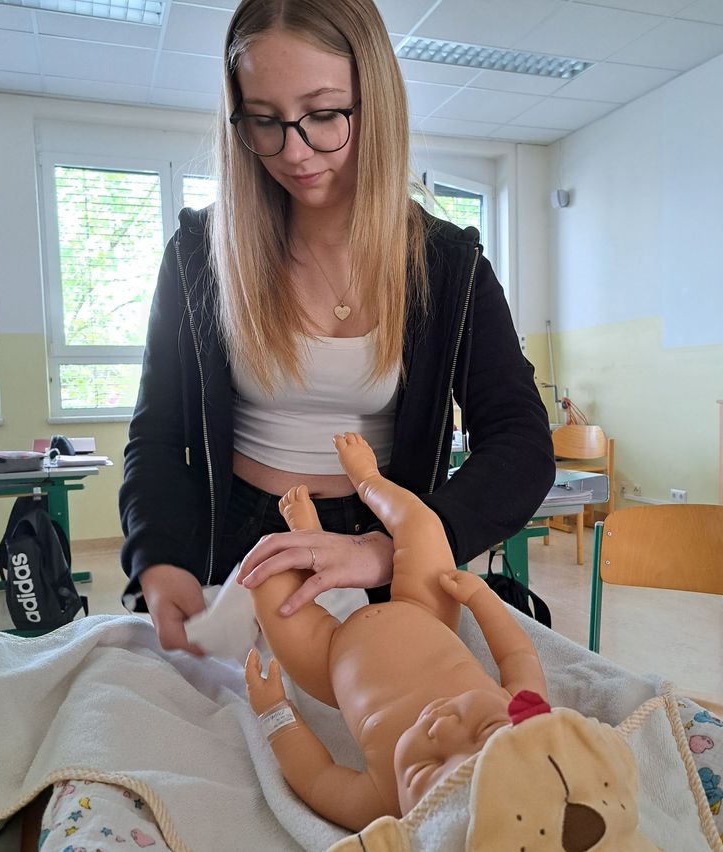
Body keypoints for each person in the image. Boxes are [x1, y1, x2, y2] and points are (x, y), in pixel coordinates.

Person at [119, 0, 555, 653]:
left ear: (375, 101)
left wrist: (396, 544)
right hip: (236, 543)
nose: (293, 152)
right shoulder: (198, 253)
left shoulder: (448, 265)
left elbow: (522, 445)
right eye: (264, 121)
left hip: (382, 545)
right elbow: (155, 437)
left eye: (323, 115)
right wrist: (157, 558)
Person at [246, 432, 548, 828]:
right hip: (425, 611)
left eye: (428, 767)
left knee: (266, 575)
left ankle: (307, 539)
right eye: (484, 728)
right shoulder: (528, 717)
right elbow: (516, 654)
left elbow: (316, 777)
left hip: (330, 659)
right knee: (422, 524)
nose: (442, 727)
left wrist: (273, 712)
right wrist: (482, 598)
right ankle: (368, 480)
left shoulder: (383, 804)